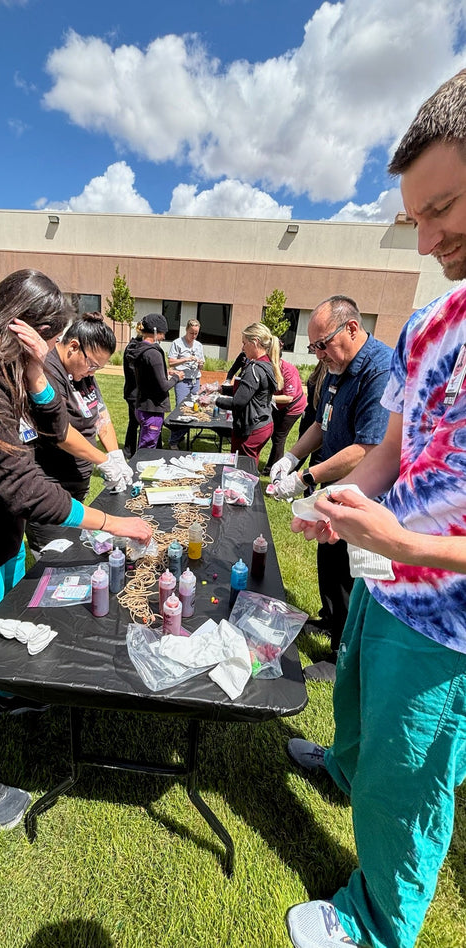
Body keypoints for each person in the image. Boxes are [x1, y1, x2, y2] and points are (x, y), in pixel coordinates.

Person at [285, 70, 466, 948]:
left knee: (409, 772)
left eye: (444, 209)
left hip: (447, 619)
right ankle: (341, 769)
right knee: (356, 706)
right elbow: (396, 444)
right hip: (382, 576)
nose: (426, 239)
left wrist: (403, 540)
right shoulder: (431, 320)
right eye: (414, 219)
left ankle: (377, 921)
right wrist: (353, 498)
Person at [0, 269, 152, 835]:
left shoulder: (11, 368)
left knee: (0, 635)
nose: (54, 350)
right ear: (24, 325)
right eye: (51, 340)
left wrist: (35, 372)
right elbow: (22, 486)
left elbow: (54, 426)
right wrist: (111, 522)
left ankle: (5, 696)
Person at [270, 297, 392, 680]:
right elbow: (322, 424)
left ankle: (343, 656)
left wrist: (305, 478)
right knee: (329, 559)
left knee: (348, 573)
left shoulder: (379, 370)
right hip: (334, 486)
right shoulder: (337, 367)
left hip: (363, 491)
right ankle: (330, 619)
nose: (319, 354)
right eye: (314, 347)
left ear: (352, 329)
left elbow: (366, 448)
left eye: (323, 344)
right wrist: (291, 457)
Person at [25, 312, 133, 557]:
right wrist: (103, 460)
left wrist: (115, 454)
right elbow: (61, 431)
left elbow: (101, 415)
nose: (92, 372)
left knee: (75, 549)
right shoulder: (48, 371)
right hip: (49, 486)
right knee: (53, 559)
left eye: (98, 368)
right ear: (74, 347)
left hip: (76, 486)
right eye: (92, 364)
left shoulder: (82, 372)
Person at [216, 322, 281, 465]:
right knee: (250, 466)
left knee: (242, 468)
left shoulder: (254, 368)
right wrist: (221, 389)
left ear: (255, 342)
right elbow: (247, 392)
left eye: (244, 343)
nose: (242, 348)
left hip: (252, 427)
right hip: (263, 423)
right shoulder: (267, 364)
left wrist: (213, 400)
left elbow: (238, 402)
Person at [132, 313, 184, 449]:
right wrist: (177, 377)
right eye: (163, 333)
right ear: (156, 331)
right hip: (152, 409)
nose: (164, 337)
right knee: (148, 448)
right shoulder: (153, 353)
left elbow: (149, 375)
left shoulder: (140, 348)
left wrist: (166, 372)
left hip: (142, 405)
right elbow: (163, 386)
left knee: (145, 444)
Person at [262, 348, 306, 476]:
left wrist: (267, 398)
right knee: (272, 433)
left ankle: (272, 469)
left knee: (279, 437)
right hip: (278, 406)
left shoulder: (288, 370)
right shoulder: (267, 368)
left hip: (293, 407)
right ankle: (272, 466)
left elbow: (288, 397)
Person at [168, 319, 205, 449]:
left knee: (194, 408)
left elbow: (201, 366)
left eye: (196, 333)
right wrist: (187, 359)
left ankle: (181, 435)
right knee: (181, 409)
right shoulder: (177, 343)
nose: (193, 336)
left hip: (195, 380)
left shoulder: (199, 345)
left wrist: (200, 363)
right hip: (182, 380)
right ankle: (173, 441)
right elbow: (171, 362)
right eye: (191, 333)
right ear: (186, 330)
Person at [122, 320, 143, 459]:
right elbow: (134, 372)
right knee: (138, 422)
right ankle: (132, 451)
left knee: (134, 422)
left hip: (135, 392)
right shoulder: (133, 347)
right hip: (134, 392)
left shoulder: (137, 346)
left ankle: (130, 451)